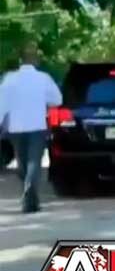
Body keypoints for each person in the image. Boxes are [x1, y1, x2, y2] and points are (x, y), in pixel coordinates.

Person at [0, 41, 62, 213]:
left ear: (20, 61)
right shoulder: (43, 78)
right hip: (37, 126)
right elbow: (57, 100)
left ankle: (29, 199)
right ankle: (30, 197)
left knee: (22, 164)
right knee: (34, 162)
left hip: (16, 128)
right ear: (35, 61)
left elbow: (1, 104)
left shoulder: (9, 79)